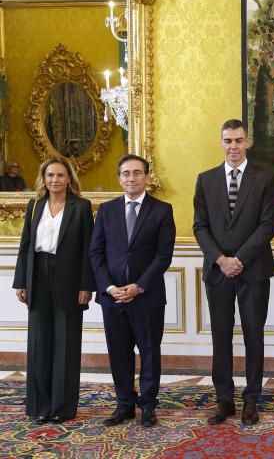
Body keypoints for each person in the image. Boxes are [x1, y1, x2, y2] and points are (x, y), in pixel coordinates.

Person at [193, 119, 274, 426]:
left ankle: (251, 399)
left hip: (253, 271)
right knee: (221, 336)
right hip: (217, 273)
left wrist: (238, 259)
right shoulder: (205, 180)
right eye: (228, 140)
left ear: (247, 142)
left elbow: (268, 225)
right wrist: (220, 259)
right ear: (221, 142)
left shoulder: (265, 178)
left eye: (238, 140)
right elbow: (199, 226)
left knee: (254, 336)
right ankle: (224, 400)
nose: (233, 146)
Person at [89, 155, 175, 428]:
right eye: (126, 173)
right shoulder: (106, 210)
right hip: (112, 298)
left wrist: (138, 287)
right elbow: (96, 253)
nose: (131, 178)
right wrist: (110, 287)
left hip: (146, 296)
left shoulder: (162, 210)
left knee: (150, 353)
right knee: (119, 354)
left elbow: (163, 256)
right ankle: (124, 404)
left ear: (146, 177)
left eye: (137, 173)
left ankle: (148, 406)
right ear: (119, 178)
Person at [12, 157, 94, 424]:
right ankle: (40, 406)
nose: (54, 180)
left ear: (69, 178)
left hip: (69, 281)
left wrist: (86, 285)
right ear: (43, 178)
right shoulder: (35, 205)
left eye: (60, 175)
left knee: (66, 344)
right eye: (50, 175)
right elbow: (25, 245)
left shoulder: (81, 207)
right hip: (38, 276)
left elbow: (87, 250)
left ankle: (62, 407)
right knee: (39, 344)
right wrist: (21, 281)